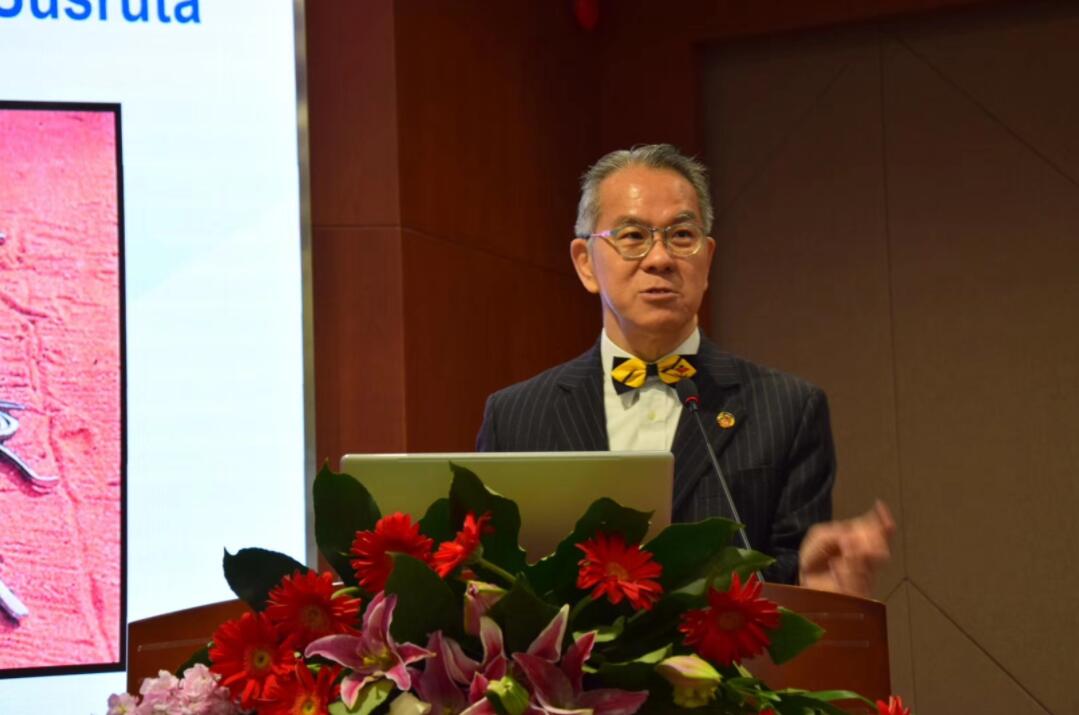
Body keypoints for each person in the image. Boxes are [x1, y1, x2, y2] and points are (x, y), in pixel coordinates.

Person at [477, 144, 892, 596]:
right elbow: (489, 584)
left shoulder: (788, 410)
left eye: (680, 235)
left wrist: (814, 586)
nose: (660, 258)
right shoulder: (515, 417)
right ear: (585, 263)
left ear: (707, 259)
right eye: (632, 236)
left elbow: (795, 582)